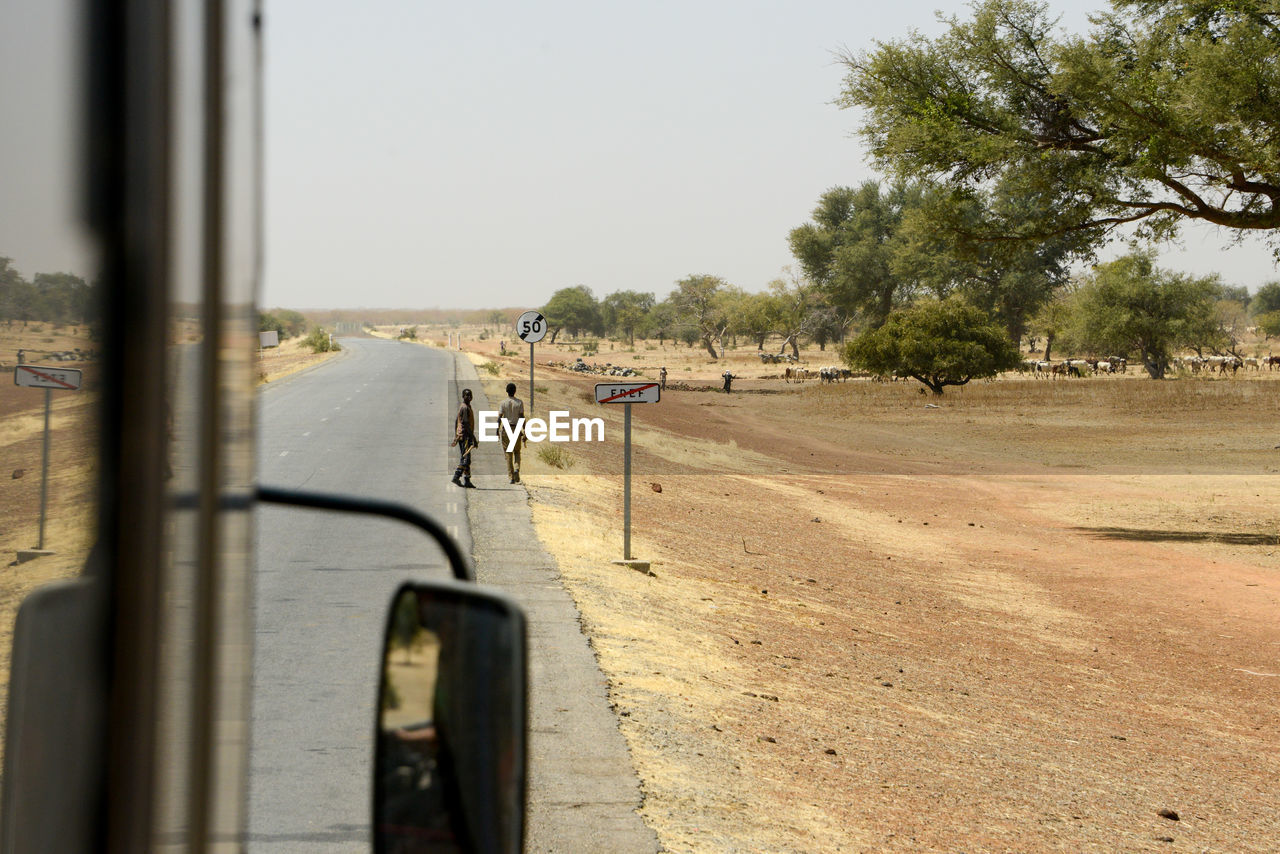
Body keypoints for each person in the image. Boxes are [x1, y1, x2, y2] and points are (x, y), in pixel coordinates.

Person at [498, 382, 525, 484]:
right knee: (517, 451)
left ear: (506, 391)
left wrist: (497, 429)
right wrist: (525, 429)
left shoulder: (503, 403)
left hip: (506, 429)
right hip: (516, 428)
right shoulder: (519, 402)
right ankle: (517, 469)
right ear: (515, 391)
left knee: (508, 453)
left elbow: (499, 417)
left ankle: (511, 477)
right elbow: (522, 417)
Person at [451, 388, 477, 488]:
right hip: (465, 436)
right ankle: (456, 476)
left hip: (462, 435)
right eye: (466, 395)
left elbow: (456, 421)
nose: (469, 397)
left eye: (470, 395)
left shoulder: (465, 406)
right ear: (463, 396)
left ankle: (467, 480)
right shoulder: (465, 408)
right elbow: (465, 424)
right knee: (466, 459)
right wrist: (473, 438)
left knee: (466, 458)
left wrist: (456, 435)